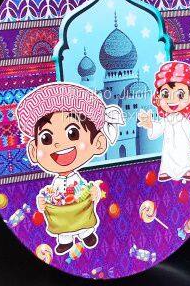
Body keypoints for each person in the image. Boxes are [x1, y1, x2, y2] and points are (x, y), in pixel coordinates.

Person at [16, 82, 124, 255]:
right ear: (34, 151)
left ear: (98, 143)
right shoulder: (54, 185)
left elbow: (88, 189)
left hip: (82, 211)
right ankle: (65, 240)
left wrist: (94, 192)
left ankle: (87, 234)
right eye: (46, 138)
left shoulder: (79, 180)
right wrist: (42, 202)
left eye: (72, 133)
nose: (59, 144)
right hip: (60, 215)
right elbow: (48, 195)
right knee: (63, 227)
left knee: (85, 222)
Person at [138, 61, 190, 182]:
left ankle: (187, 169)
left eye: (180, 94)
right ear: (158, 98)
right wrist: (150, 124)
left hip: (183, 150)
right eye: (165, 94)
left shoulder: (184, 121)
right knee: (167, 157)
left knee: (184, 156)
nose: (172, 99)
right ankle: (166, 171)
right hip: (169, 152)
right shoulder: (165, 120)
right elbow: (158, 129)